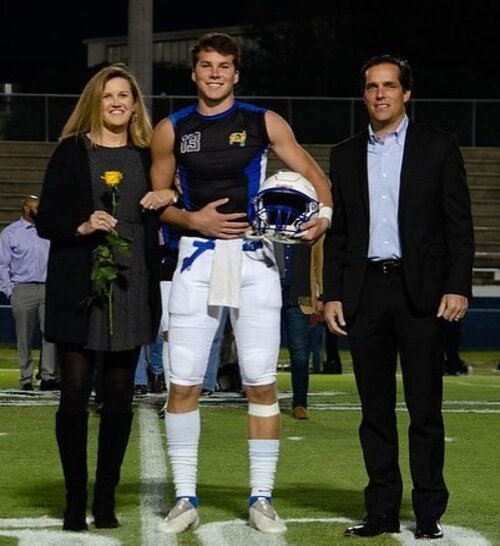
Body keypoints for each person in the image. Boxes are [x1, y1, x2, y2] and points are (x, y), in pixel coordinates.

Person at [149, 32, 332, 534]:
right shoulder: (171, 129)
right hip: (196, 258)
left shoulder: (262, 120)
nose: (214, 73)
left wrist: (326, 216)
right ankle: (185, 496)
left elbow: (317, 176)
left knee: (260, 380)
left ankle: (261, 498)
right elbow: (158, 199)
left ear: (235, 73)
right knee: (183, 382)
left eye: (223, 66)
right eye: (206, 65)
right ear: (194, 72)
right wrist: (194, 220)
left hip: (255, 260)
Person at [323, 54, 475, 540]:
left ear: (407, 93)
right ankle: (381, 510)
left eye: (390, 86)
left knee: (425, 410)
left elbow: (459, 223)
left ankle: (428, 512)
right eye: (372, 86)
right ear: (364, 94)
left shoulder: (438, 146)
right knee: (375, 411)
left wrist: (458, 285)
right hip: (366, 292)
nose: (380, 94)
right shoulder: (344, 153)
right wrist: (331, 294)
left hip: (423, 294)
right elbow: (340, 233)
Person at [35, 64, 167, 532]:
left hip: (132, 285)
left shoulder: (148, 153)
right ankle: (75, 500)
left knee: (117, 400)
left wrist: (168, 192)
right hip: (79, 286)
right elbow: (46, 217)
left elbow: (172, 199)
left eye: (124, 96)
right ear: (96, 100)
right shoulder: (71, 152)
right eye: (108, 95)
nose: (116, 102)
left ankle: (105, 498)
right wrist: (82, 225)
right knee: (72, 398)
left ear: (135, 105)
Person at [0, 195, 58, 391]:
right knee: (23, 337)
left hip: (48, 287)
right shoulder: (11, 233)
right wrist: (11, 291)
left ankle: (48, 376)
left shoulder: (48, 231)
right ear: (26, 209)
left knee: (51, 334)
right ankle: (26, 378)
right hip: (22, 288)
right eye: (36, 207)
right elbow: (3, 265)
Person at [280, 238, 324, 420]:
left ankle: (300, 403)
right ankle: (257, 396)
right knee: (260, 349)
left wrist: (321, 295)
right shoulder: (270, 218)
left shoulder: (309, 224)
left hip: (301, 295)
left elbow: (319, 261)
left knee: (299, 352)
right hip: (267, 289)